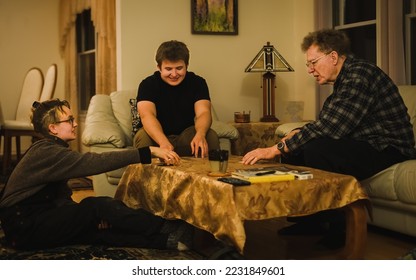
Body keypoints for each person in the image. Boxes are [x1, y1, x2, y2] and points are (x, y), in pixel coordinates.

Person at [0, 99, 192, 251]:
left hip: (22, 228)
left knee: (95, 231)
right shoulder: (47, 152)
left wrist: (81, 217)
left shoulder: (49, 149)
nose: (75, 124)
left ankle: (166, 241)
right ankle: (166, 227)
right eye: (69, 120)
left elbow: (59, 196)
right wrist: (147, 151)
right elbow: (95, 162)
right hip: (24, 225)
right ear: (53, 128)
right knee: (96, 205)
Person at [242, 28, 416, 181]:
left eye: (313, 62)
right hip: (366, 143)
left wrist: (275, 149)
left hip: (389, 149)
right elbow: (326, 124)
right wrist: (297, 134)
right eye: (308, 65)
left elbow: (332, 128)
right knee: (297, 146)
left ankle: (327, 216)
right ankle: (304, 213)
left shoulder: (359, 75)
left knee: (315, 149)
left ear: (333, 57)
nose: (310, 70)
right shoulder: (343, 81)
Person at [134, 40, 220, 158]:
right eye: (168, 69)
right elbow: (147, 115)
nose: (174, 74)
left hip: (186, 136)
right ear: (159, 67)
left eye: (179, 68)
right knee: (143, 137)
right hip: (156, 136)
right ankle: (145, 176)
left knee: (211, 136)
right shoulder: (147, 84)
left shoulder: (198, 82)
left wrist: (200, 134)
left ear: (187, 65)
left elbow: (204, 112)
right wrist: (163, 143)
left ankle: (208, 175)